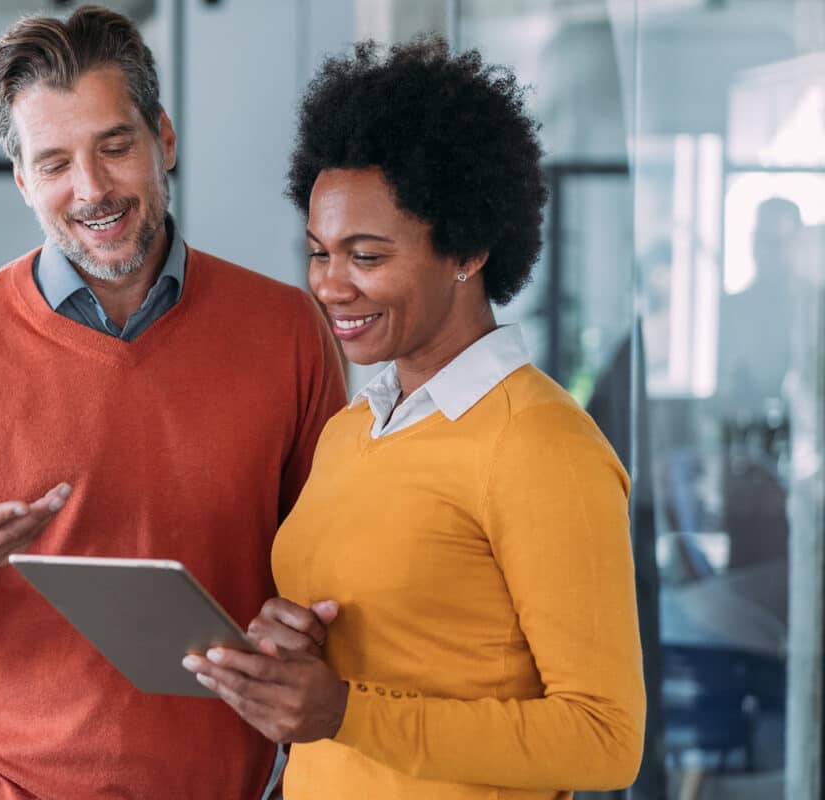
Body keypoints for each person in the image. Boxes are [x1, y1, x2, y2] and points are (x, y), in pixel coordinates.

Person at [0, 6, 348, 799]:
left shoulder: (287, 330)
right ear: (24, 181)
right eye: (54, 162)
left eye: (114, 146)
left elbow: (332, 561)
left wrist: (306, 626)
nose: (91, 188)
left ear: (163, 137)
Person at [182, 37, 646, 798]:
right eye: (320, 252)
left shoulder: (540, 445)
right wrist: (289, 652)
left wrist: (345, 712)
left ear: (466, 249)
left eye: (366, 256)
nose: (331, 286)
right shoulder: (351, 431)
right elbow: (388, 649)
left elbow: (604, 739)